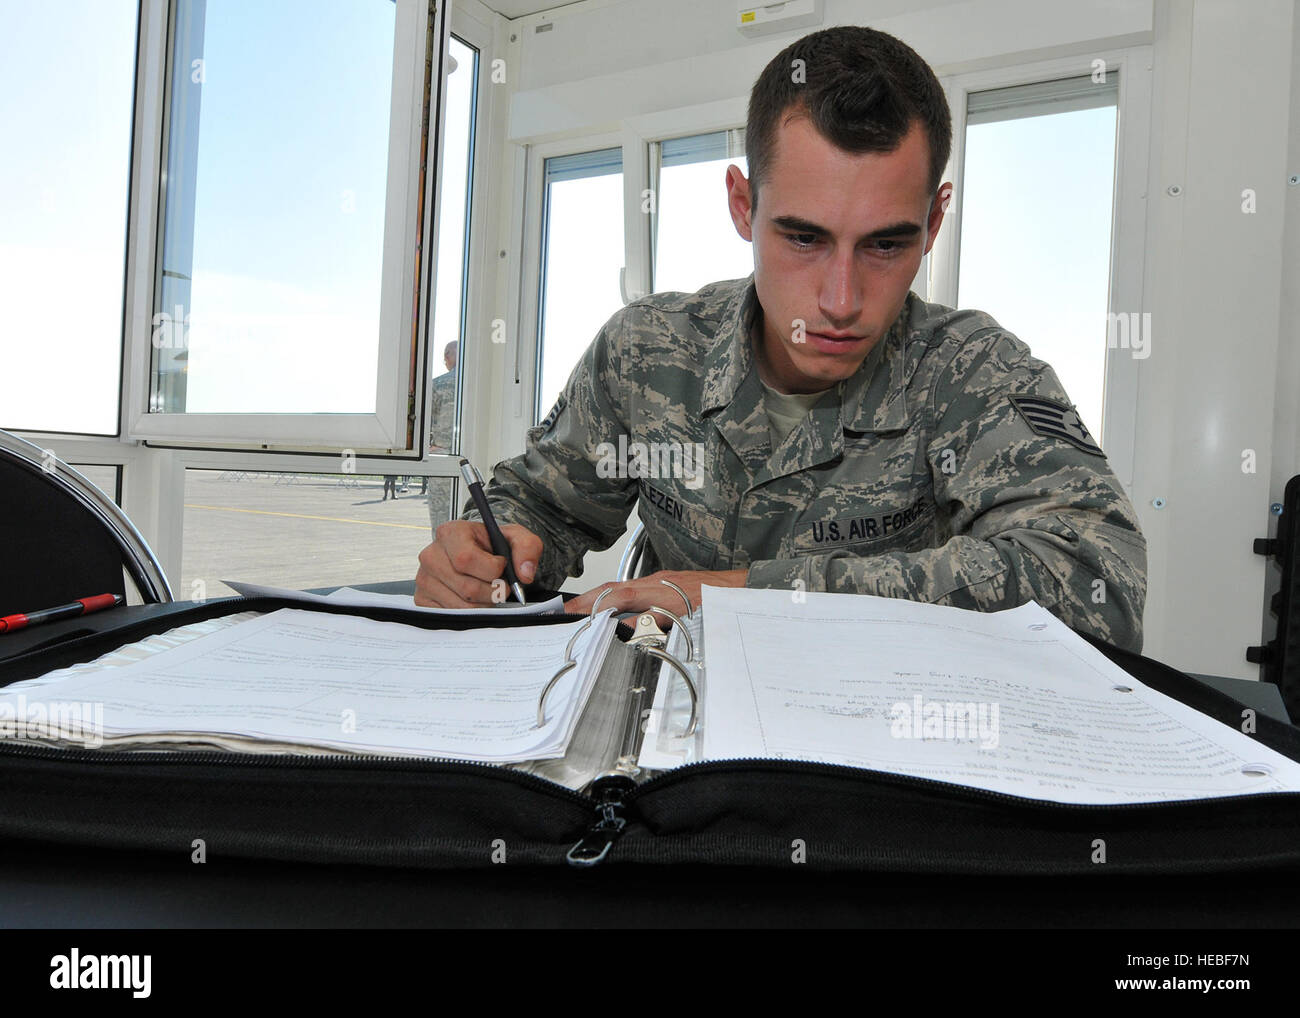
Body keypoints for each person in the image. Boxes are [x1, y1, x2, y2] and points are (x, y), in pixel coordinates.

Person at [414, 25, 1147, 653]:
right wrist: (486, 551)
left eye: (886, 246)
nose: (840, 301)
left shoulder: (974, 373)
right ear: (743, 204)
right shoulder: (647, 353)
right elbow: (543, 505)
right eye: (803, 237)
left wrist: (741, 599)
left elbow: (1098, 589)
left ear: (933, 223)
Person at [426, 342, 459, 529]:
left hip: (443, 458)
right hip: (472, 460)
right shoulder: (481, 384)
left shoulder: (438, 384)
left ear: (448, 356)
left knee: (442, 524)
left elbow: (425, 423)